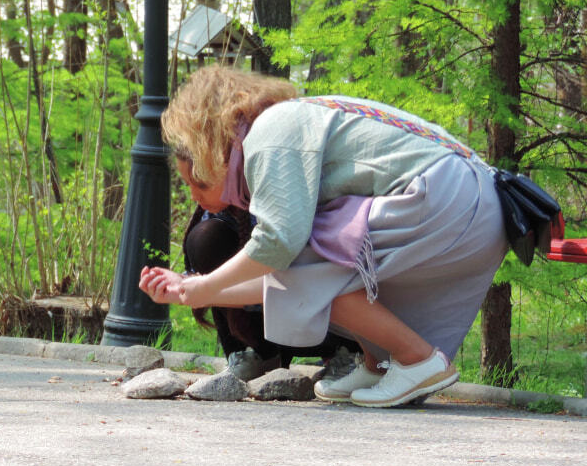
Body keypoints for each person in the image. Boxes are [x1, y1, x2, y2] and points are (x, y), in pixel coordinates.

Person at [140, 65, 508, 407]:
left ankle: (419, 360)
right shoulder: (284, 123)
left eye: (198, 180)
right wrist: (197, 289)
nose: (193, 195)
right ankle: (379, 363)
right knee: (321, 258)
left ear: (213, 141)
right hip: (472, 200)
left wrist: (204, 288)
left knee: (316, 258)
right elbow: (285, 281)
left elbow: (281, 247)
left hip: (453, 197)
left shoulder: (268, 134)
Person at [181, 205, 360, 380]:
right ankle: (257, 353)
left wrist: (206, 289)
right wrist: (189, 287)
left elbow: (279, 283)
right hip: (267, 314)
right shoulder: (224, 208)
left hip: (316, 295)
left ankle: (347, 353)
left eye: (201, 186)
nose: (195, 196)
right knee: (206, 238)